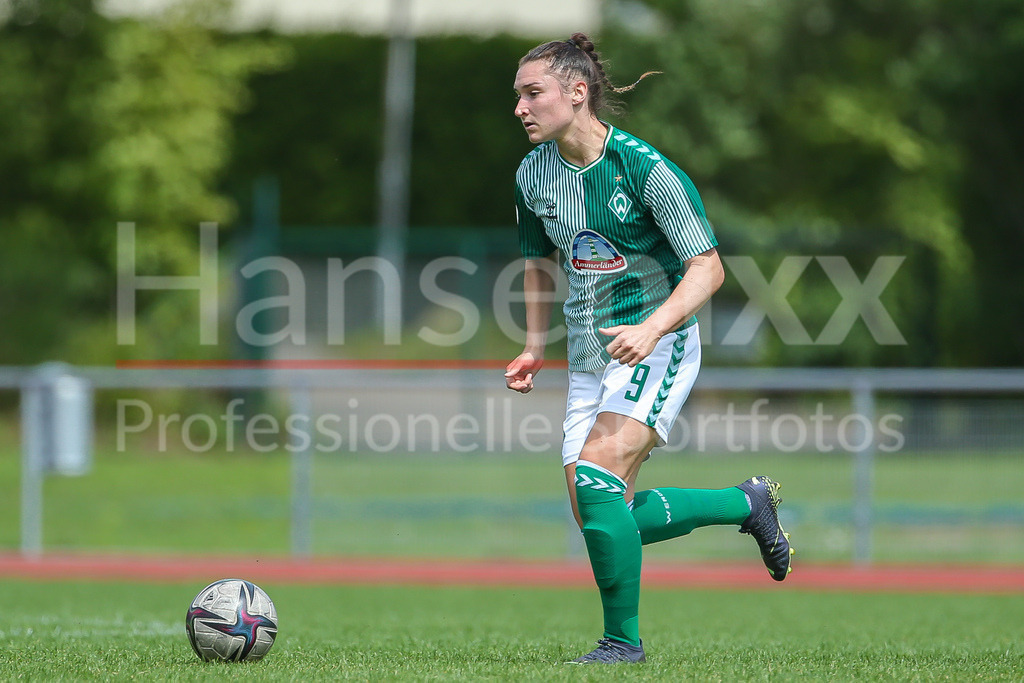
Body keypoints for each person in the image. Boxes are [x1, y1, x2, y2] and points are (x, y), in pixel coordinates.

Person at [504, 33, 794, 664]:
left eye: (533, 93)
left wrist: (653, 327)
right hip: (588, 356)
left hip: (655, 347)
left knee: (596, 479)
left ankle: (621, 645)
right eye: (518, 96)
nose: (521, 108)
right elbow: (536, 263)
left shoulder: (644, 168)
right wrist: (534, 346)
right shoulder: (533, 173)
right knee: (600, 513)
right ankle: (745, 503)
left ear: (578, 93)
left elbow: (708, 269)